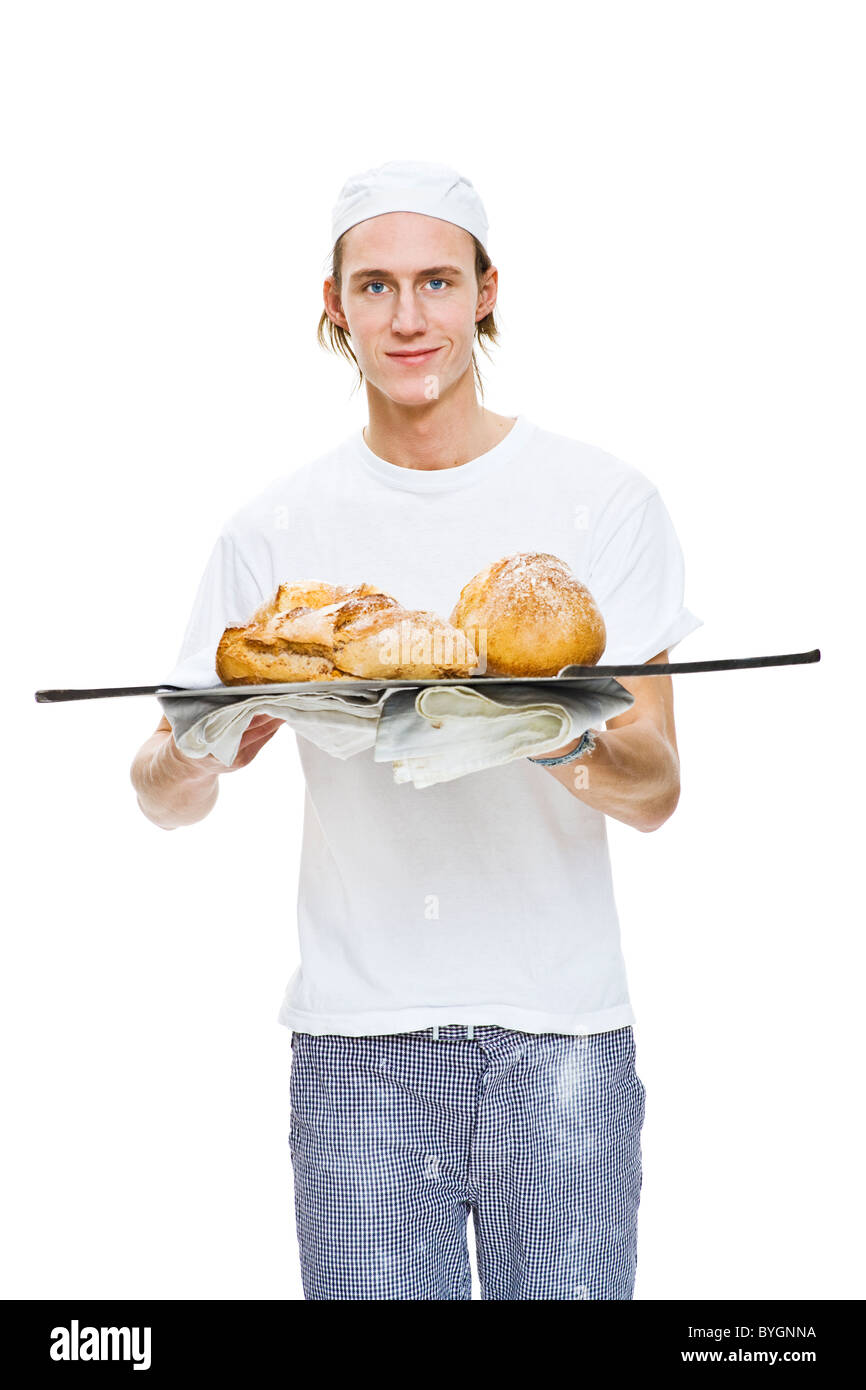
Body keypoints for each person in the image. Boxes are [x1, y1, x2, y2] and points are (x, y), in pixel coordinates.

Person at [130, 159, 703, 1301]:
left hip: (563, 1036)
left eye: (436, 281)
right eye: (377, 285)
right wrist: (209, 742)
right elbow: (157, 789)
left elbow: (654, 791)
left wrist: (544, 726)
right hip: (355, 1048)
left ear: (486, 291)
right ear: (334, 303)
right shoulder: (272, 528)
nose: (408, 317)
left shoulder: (603, 501)